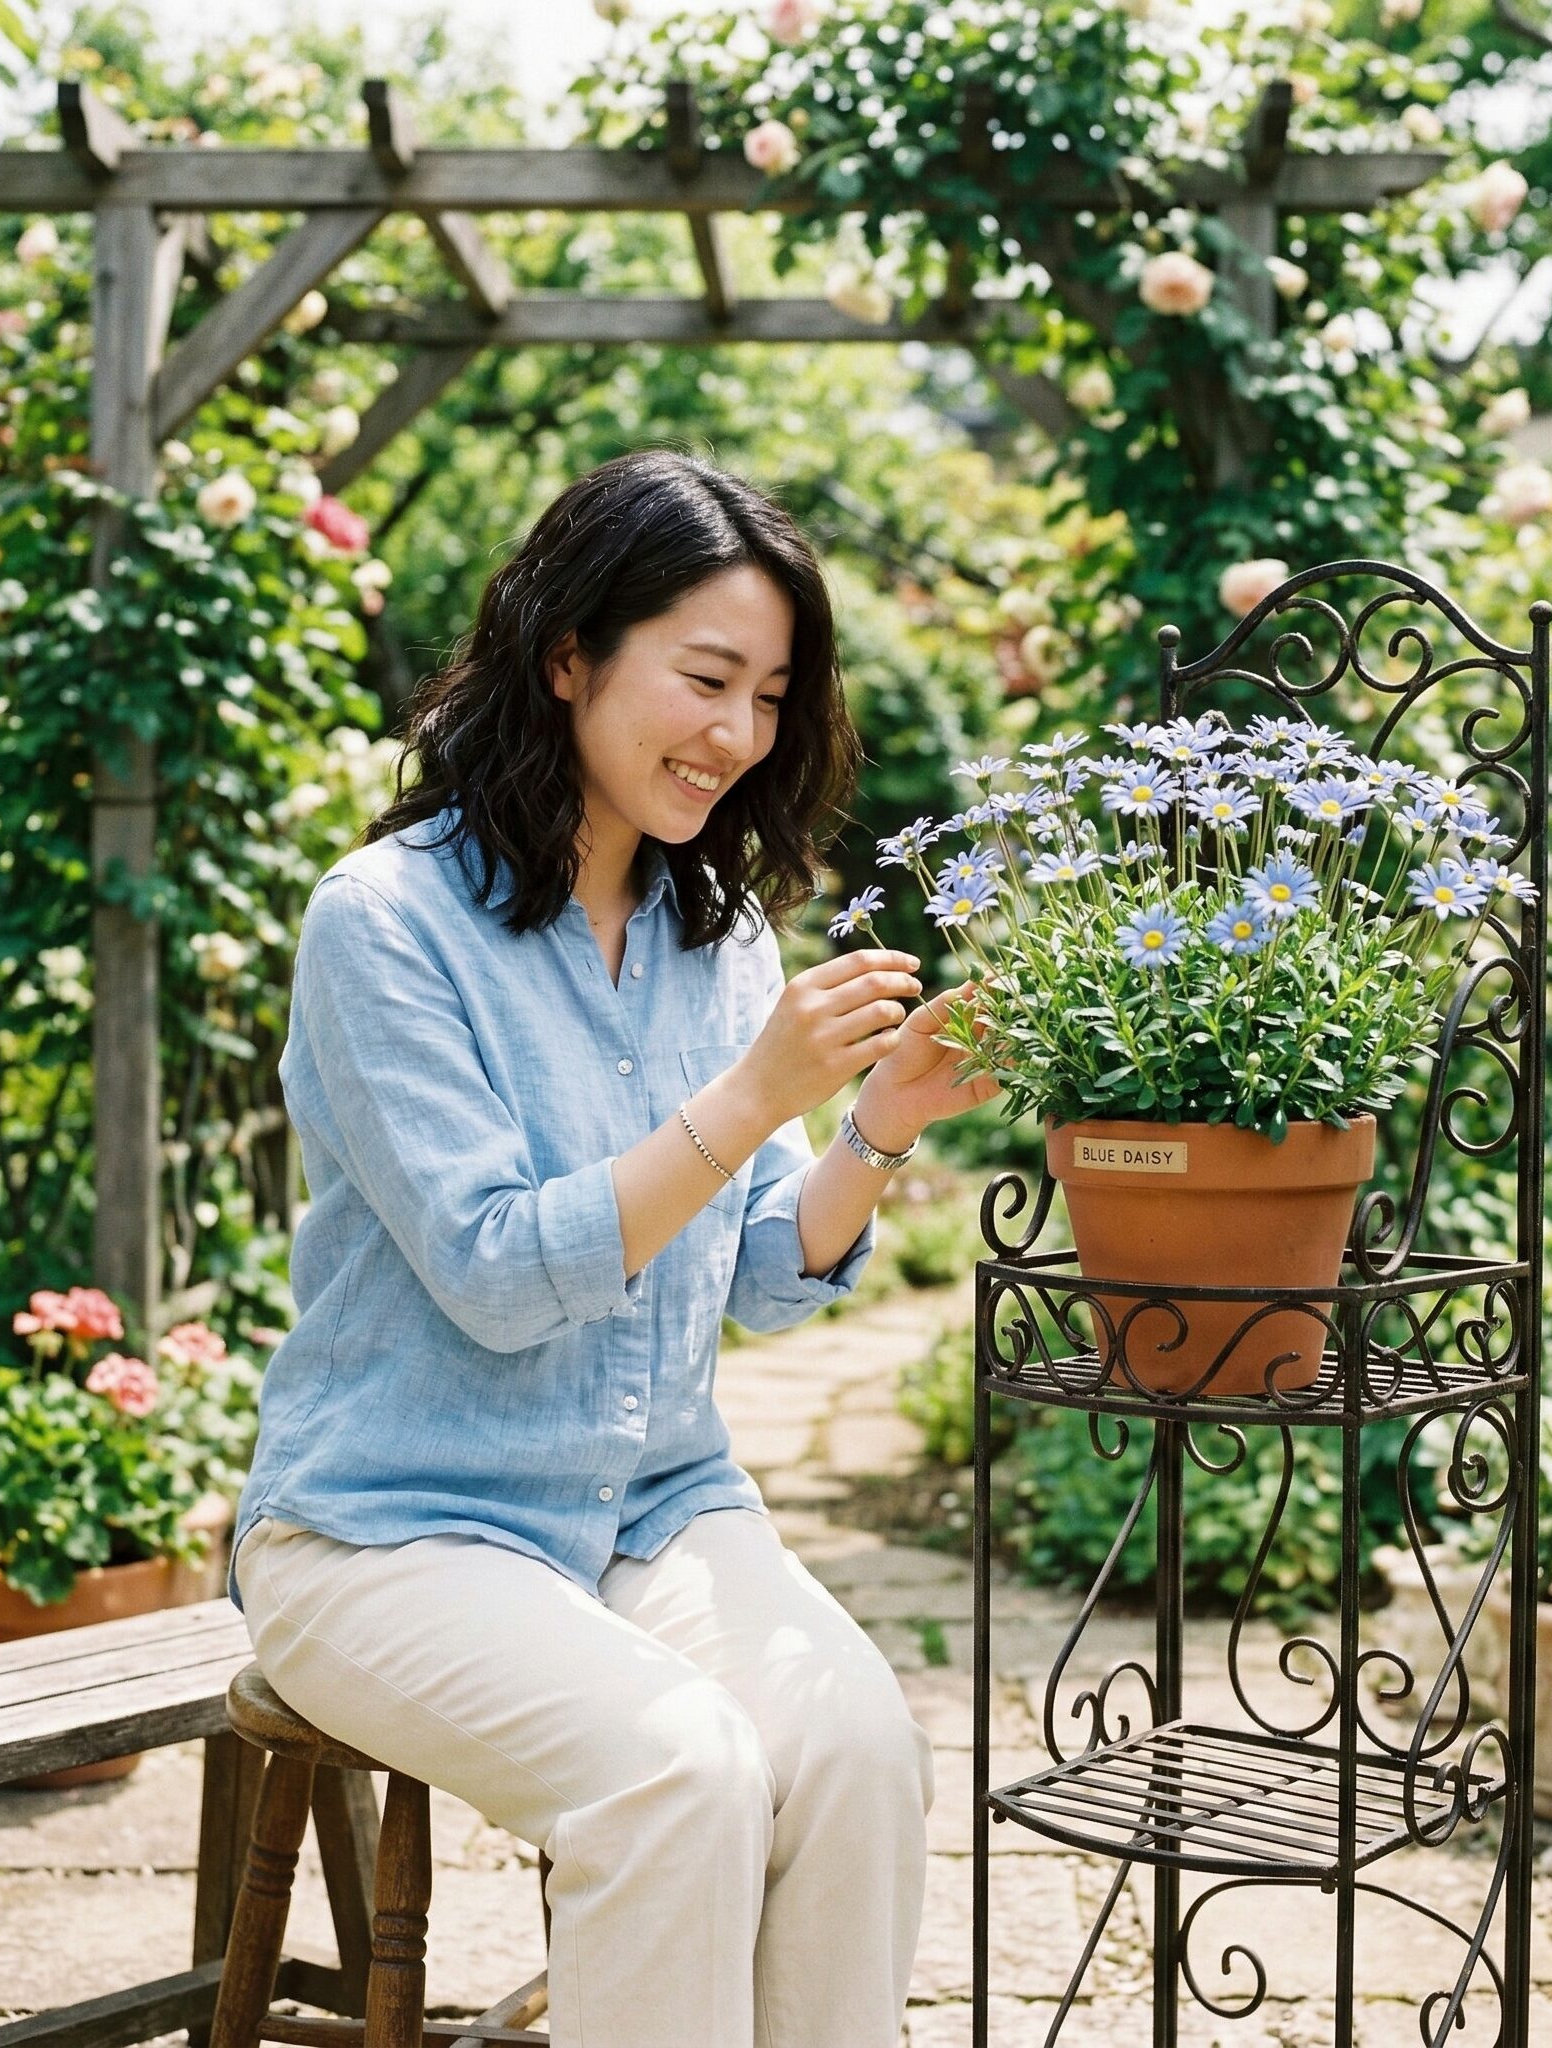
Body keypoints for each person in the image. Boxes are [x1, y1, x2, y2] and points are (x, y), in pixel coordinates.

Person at [227, 449, 1001, 2048]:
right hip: (391, 1528)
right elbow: (503, 1276)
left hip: (651, 1507)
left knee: (858, 1753)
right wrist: (753, 1093)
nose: (739, 733)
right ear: (567, 655)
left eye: (772, 694)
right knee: (679, 1770)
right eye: (706, 677)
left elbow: (767, 1277)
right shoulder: (382, 924)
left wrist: (877, 1126)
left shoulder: (714, 933)